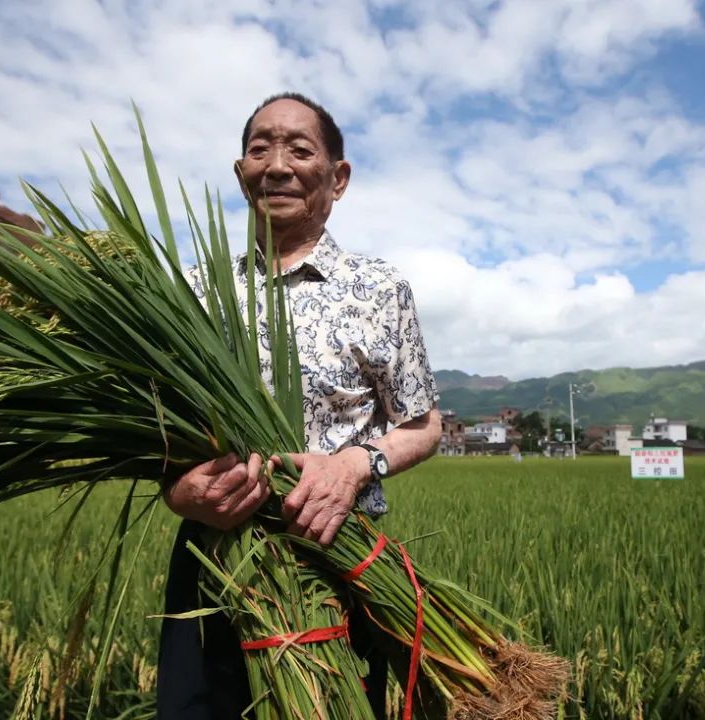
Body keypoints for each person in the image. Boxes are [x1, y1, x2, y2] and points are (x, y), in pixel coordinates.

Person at [157, 92, 441, 720]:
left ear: (337, 179)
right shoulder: (195, 292)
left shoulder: (378, 289)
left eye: (300, 149)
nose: (277, 165)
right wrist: (180, 493)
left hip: (337, 561)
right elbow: (157, 437)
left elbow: (421, 425)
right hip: (215, 562)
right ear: (240, 173)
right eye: (260, 148)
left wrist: (354, 466)